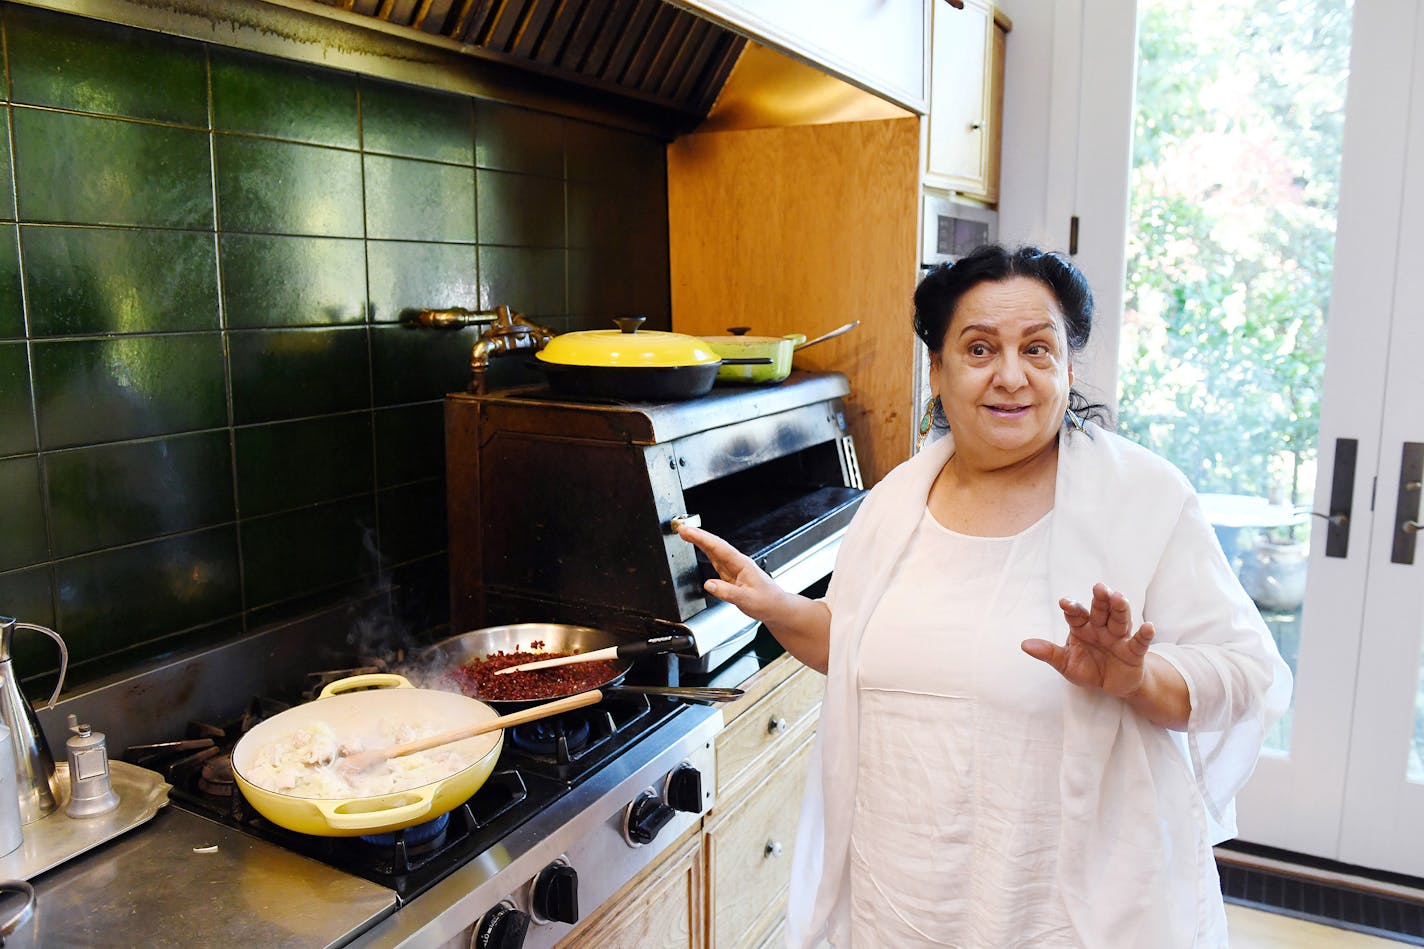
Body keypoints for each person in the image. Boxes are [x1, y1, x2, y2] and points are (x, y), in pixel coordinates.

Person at [677, 244, 1292, 948]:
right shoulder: (893, 505)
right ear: (936, 371)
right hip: (903, 899)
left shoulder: (1143, 501)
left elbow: (1250, 673)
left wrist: (1137, 677)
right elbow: (859, 649)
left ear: (1067, 365)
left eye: (1037, 348)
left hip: (1064, 915)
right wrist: (778, 605)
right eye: (978, 348)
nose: (1010, 375)